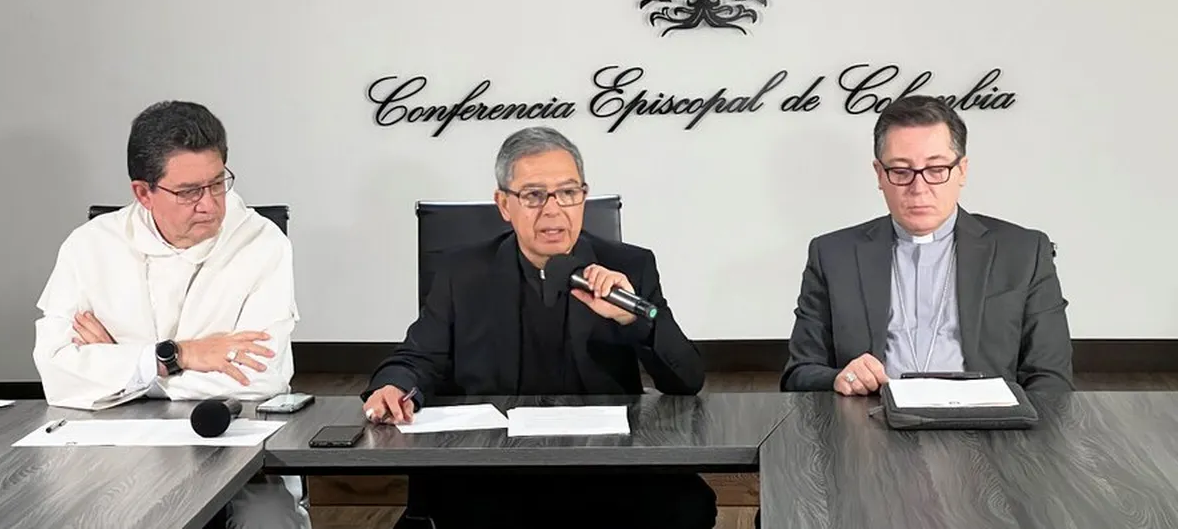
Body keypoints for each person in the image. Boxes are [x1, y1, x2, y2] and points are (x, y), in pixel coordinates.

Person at [362, 126, 716, 529]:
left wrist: (631, 317)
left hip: (606, 463)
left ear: (583, 196)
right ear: (504, 204)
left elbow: (687, 379)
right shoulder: (463, 273)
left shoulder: (629, 267)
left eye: (568, 192)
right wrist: (392, 386)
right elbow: (417, 357)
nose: (553, 210)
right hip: (493, 467)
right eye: (533, 195)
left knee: (687, 505)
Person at [31, 100, 309, 529]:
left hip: (235, 446)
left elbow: (260, 380)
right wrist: (181, 355)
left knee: (267, 522)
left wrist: (129, 367)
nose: (210, 205)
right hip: (115, 452)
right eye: (189, 192)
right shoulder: (88, 247)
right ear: (143, 193)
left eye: (218, 183)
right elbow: (57, 375)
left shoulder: (262, 243)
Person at [781, 95, 1074, 394]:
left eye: (936, 169)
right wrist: (840, 378)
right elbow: (798, 374)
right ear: (880, 175)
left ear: (962, 170)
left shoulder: (1024, 252)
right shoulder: (833, 255)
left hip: (987, 421)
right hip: (872, 417)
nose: (918, 189)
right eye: (901, 171)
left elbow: (1051, 379)